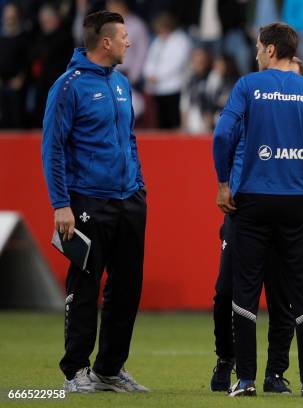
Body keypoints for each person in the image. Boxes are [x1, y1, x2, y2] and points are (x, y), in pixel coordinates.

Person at [213, 22, 303, 398]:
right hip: (297, 204)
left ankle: (244, 381)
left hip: (252, 201)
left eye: (259, 47)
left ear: (271, 50)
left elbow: (223, 134)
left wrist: (224, 183)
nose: (256, 53)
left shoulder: (247, 86)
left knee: (245, 292)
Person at [41, 10, 148, 393]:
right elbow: (52, 149)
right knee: (85, 286)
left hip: (129, 199)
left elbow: (130, 139)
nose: (129, 42)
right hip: (86, 201)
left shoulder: (120, 84)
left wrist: (138, 185)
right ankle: (74, 371)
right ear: (105, 42)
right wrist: (60, 204)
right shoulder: (68, 87)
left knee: (127, 288)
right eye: (123, 36)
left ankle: (108, 370)